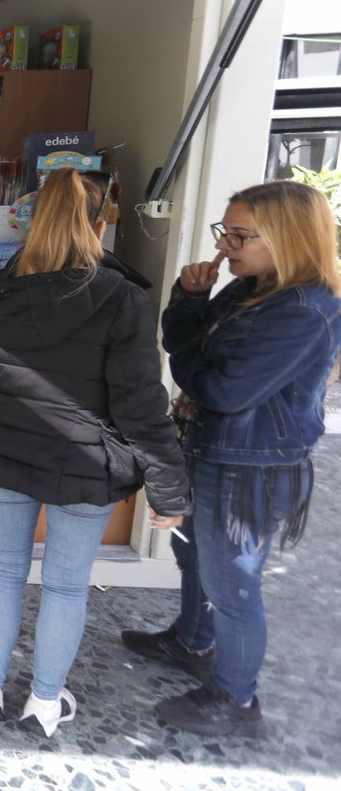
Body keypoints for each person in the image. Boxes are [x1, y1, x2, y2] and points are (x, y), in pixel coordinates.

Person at [0, 168, 190, 738]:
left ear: (32, 219)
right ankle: (44, 704)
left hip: (9, 458)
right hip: (89, 466)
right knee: (68, 584)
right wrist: (170, 487)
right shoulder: (124, 299)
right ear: (101, 225)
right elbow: (141, 405)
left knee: (3, 571)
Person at [127, 180, 341, 738]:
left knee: (233, 583)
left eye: (241, 235)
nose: (225, 247)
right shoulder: (252, 287)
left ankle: (236, 701)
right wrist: (192, 297)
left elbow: (224, 390)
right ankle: (192, 640)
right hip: (212, 447)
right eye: (226, 232)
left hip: (250, 466)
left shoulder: (304, 309)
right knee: (194, 557)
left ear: (288, 238)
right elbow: (181, 341)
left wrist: (188, 367)